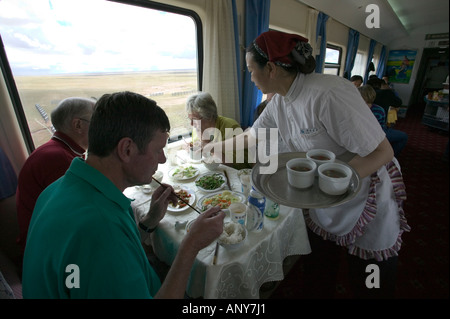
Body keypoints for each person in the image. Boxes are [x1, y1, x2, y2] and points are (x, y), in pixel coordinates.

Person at [208, 30, 410, 298]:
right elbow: (253, 134)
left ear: (269, 68)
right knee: (318, 269)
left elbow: (382, 151)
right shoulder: (280, 101)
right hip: (322, 198)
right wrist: (212, 147)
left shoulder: (329, 94)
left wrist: (330, 183)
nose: (250, 77)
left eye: (250, 70)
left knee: (369, 280)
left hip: (362, 193)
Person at [22, 91, 225, 298]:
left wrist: (150, 220)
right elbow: (108, 247)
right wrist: (191, 245)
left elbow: (123, 247)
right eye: (158, 150)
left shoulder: (58, 188)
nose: (163, 159)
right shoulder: (100, 232)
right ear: (126, 149)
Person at [15, 97, 96, 254]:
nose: (101, 129)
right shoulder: (59, 160)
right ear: (78, 125)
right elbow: (78, 217)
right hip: (45, 248)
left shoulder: (56, 151)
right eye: (97, 123)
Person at [186, 92, 251, 170]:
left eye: (194, 119)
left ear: (209, 116)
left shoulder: (230, 127)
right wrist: (191, 148)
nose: (191, 124)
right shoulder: (198, 128)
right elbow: (200, 153)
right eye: (190, 119)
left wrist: (208, 144)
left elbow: (231, 165)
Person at [358, 85, 408, 158]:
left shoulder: (356, 109)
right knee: (404, 136)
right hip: (378, 133)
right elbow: (379, 130)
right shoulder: (379, 110)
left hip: (368, 133)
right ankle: (391, 156)